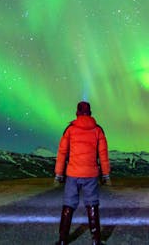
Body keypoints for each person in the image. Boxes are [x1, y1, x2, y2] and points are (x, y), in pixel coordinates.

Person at [54, 101, 110, 245]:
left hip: (72, 173)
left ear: (77, 113)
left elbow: (62, 152)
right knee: (92, 204)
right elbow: (103, 154)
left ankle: (62, 240)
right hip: (91, 174)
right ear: (90, 112)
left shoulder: (70, 129)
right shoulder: (98, 130)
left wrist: (59, 173)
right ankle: (96, 240)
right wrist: (105, 174)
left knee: (68, 205)